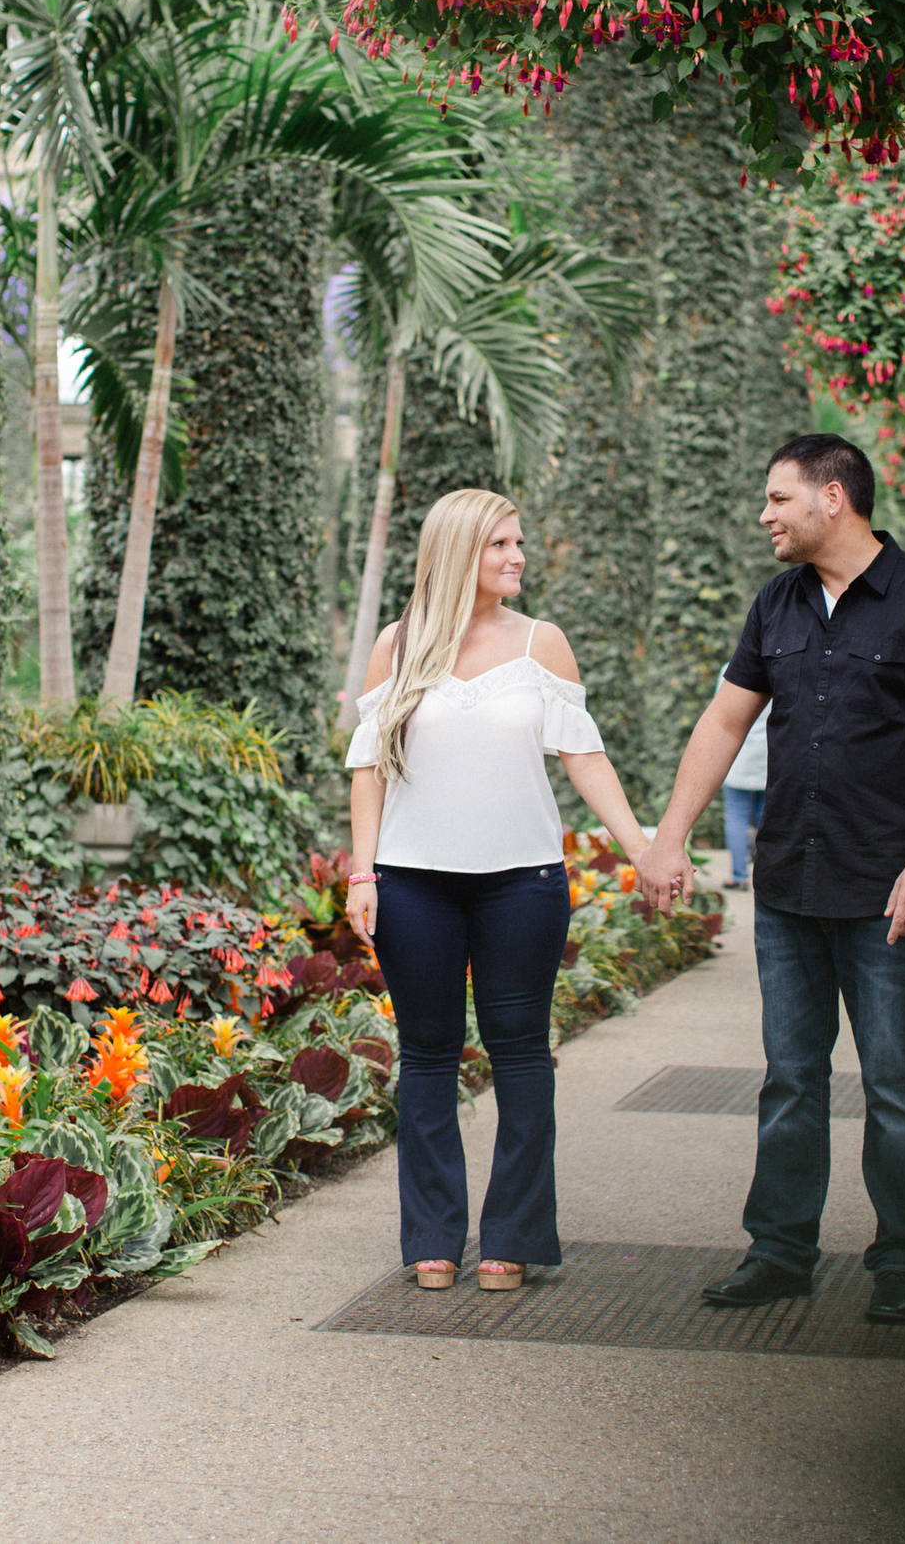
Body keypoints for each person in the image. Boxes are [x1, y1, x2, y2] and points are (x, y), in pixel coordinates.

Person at [635, 434, 905, 1326]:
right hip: (788, 880)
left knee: (895, 1081)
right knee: (791, 1076)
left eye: (779, 498)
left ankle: (903, 1256)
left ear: (835, 497)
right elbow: (723, 721)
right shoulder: (776, 605)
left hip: (887, 891)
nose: (766, 515)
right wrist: (670, 835)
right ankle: (781, 1249)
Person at [346, 489, 654, 1295]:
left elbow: (584, 756)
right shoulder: (398, 645)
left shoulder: (541, 643)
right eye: (500, 545)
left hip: (523, 881)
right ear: (457, 553)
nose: (518, 555)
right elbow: (368, 767)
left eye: (518, 542)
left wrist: (642, 844)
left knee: (521, 1055)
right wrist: (361, 872)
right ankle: (433, 1237)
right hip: (414, 885)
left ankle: (511, 1236)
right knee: (427, 1056)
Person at [721, 673, 771, 890]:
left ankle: (739, 876)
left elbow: (721, 715)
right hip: (769, 759)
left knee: (736, 817)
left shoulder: (730, 670)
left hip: (739, 758)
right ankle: (765, 875)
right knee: (768, 819)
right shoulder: (782, 665)